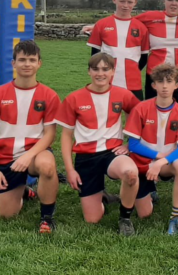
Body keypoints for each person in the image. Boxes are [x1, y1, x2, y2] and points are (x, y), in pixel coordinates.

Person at [0, 40, 61, 233]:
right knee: (7, 215)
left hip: (34, 155)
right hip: (7, 158)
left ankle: (46, 217)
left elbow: (50, 135)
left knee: (47, 166)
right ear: (13, 63)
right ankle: (23, 189)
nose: (27, 64)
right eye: (22, 59)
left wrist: (27, 156)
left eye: (32, 60)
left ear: (39, 63)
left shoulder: (49, 95)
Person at [55, 53, 141, 235]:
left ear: (112, 72)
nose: (100, 73)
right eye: (95, 69)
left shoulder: (123, 94)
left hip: (113, 153)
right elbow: (66, 136)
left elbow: (140, 115)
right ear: (89, 72)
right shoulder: (74, 98)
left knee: (131, 173)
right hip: (86, 158)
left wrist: (130, 144)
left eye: (105, 69)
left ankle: (125, 218)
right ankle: (103, 197)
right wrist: (70, 170)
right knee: (92, 220)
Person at [124, 63, 178, 235]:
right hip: (142, 164)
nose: (164, 86)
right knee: (144, 214)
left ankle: (174, 218)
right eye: (160, 81)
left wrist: (161, 161)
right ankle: (145, 190)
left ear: (176, 85)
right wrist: (156, 156)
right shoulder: (140, 109)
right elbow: (133, 145)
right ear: (153, 85)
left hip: (165, 164)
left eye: (169, 81)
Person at [86, 0, 150, 101]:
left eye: (129, 2)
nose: (125, 6)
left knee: (135, 116)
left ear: (135, 2)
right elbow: (95, 56)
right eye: (122, 1)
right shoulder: (101, 24)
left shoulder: (141, 28)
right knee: (106, 115)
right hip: (106, 80)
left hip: (133, 82)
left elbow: (144, 57)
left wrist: (133, 70)